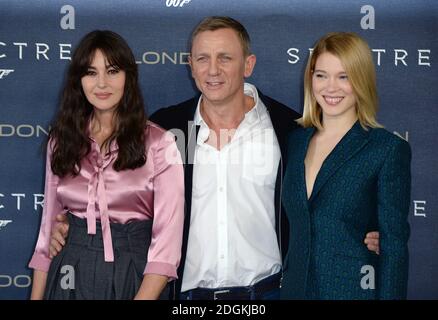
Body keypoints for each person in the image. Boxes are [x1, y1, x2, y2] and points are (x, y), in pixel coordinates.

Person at [47, 18, 380, 300]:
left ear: (248, 64)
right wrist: (69, 224)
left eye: (225, 58)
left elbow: (326, 198)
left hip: (268, 293)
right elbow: (119, 191)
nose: (213, 70)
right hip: (187, 296)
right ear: (190, 66)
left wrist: (365, 230)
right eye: (202, 59)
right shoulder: (167, 129)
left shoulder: (290, 130)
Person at [28, 30, 184, 300]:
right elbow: (48, 232)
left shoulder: (160, 143)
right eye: (91, 72)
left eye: (112, 71)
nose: (102, 83)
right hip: (69, 268)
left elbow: (167, 247)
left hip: (132, 270)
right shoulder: (61, 140)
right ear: (79, 80)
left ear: (128, 77)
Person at [280, 32, 411, 300]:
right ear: (310, 79)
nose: (330, 87)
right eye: (321, 75)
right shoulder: (294, 142)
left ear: (361, 80)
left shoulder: (386, 149)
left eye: (344, 76)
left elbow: (393, 250)